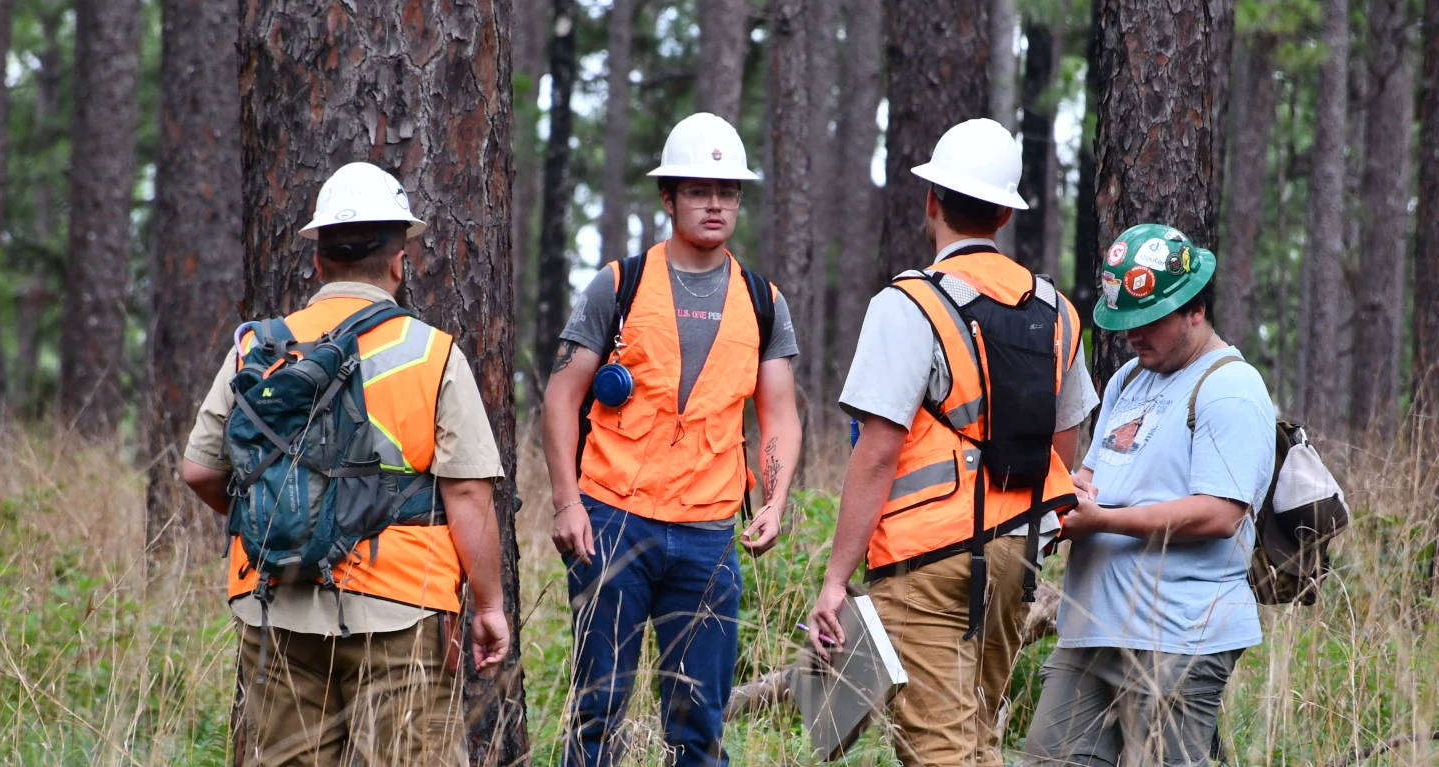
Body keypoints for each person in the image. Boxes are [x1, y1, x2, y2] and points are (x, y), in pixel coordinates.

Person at [179, 161, 511, 766]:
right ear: (397, 261)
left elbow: (199, 471)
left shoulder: (259, 348)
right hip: (404, 605)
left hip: (276, 595)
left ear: (318, 260)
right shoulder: (431, 353)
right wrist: (487, 606)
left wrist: (281, 516)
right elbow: (468, 497)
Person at [805, 118, 1097, 767]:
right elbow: (1064, 445)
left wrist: (835, 579)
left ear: (930, 200)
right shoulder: (1057, 310)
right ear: (1002, 211)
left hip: (924, 559)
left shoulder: (907, 304)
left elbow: (877, 451)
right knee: (974, 735)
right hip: (1015, 557)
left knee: (939, 748)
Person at [542, 111, 803, 767]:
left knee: (698, 727)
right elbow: (559, 393)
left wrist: (772, 502)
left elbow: (780, 415)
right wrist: (567, 501)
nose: (714, 204)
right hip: (612, 522)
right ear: (668, 197)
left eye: (727, 191)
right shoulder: (617, 284)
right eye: (696, 190)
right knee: (595, 714)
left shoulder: (762, 300)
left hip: (709, 536)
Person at [1021, 223, 1276, 767]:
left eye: (1148, 321)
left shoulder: (1231, 388)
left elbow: (1220, 514)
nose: (1133, 335)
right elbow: (1093, 473)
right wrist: (1077, 492)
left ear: (1195, 310)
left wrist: (1103, 521)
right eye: (1124, 323)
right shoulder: (1127, 381)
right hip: (1092, 629)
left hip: (1177, 638)